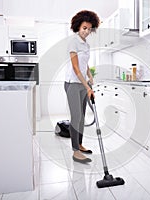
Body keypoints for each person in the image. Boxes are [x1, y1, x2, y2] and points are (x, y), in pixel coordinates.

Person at [64, 10, 100, 163]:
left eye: (89, 29)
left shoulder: (86, 44)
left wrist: (90, 77)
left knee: (82, 117)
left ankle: (79, 144)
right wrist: (88, 87)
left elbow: (84, 65)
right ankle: (75, 151)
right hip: (73, 84)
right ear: (78, 26)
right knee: (76, 117)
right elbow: (76, 68)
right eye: (84, 28)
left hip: (83, 83)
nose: (87, 31)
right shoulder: (73, 41)